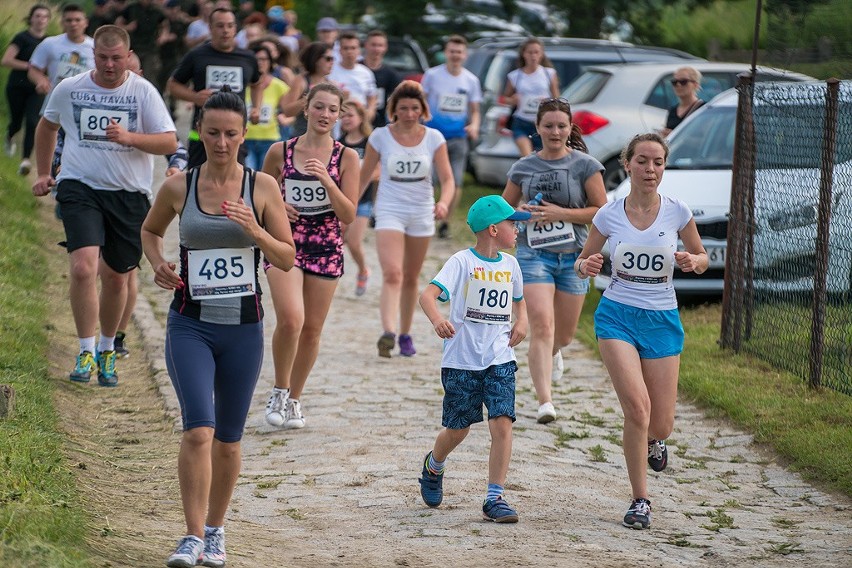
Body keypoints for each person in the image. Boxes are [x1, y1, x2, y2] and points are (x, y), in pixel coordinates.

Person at [141, 86, 295, 567]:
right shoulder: (179, 186)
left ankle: (215, 531)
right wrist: (158, 263)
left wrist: (255, 230)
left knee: (229, 439)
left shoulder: (262, 188)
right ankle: (189, 536)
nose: (222, 142)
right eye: (212, 133)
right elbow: (149, 230)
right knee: (198, 432)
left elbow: (286, 259)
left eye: (231, 134)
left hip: (243, 329)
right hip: (191, 325)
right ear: (200, 132)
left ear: (244, 134)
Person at [574, 132, 708, 529]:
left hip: (662, 319)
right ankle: (640, 499)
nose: (651, 169)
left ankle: (657, 439)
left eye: (658, 162)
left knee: (660, 422)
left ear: (664, 167)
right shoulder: (609, 214)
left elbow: (701, 256)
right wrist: (589, 266)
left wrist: (692, 261)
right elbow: (582, 262)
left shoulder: (677, 211)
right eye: (643, 161)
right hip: (617, 316)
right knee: (637, 408)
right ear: (627, 164)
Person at [31, 25, 177, 386]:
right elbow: (47, 126)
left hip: (128, 195)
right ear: (92, 55)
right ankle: (84, 348)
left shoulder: (142, 92)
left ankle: (107, 349)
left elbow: (169, 141)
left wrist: (130, 137)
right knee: (82, 267)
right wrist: (43, 171)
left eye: (117, 58)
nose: (110, 65)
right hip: (80, 186)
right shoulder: (71, 88)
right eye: (102, 57)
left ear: (128, 57)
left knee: (116, 278)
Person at [417, 194, 529, 523]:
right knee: (458, 429)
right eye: (513, 224)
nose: (517, 229)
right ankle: (433, 465)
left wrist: (521, 321)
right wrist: (439, 320)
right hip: (462, 360)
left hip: (499, 358)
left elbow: (519, 300)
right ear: (494, 229)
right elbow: (427, 296)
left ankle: (495, 497)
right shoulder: (462, 262)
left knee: (502, 423)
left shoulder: (511, 265)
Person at [501, 98, 607, 424]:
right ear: (537, 128)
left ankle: (555, 352)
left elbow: (602, 211)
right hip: (534, 255)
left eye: (561, 125)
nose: (555, 132)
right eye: (548, 126)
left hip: (576, 256)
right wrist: (516, 222)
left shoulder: (585, 165)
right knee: (542, 326)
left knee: (562, 335)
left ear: (570, 127)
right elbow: (504, 209)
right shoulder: (523, 168)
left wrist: (561, 214)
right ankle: (544, 401)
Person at [261, 83, 358, 429]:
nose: (325, 115)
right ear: (306, 109)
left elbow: (348, 214)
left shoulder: (346, 157)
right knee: (291, 319)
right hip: (285, 242)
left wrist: (328, 182)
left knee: (312, 329)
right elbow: (261, 194)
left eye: (333, 109)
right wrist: (277, 207)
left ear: (340, 115)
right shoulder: (280, 151)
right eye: (319, 107)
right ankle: (278, 390)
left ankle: (295, 400)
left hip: (326, 245)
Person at [358, 80, 454, 358]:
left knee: (411, 277)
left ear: (423, 109)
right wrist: (348, 210)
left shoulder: (434, 138)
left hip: (422, 211)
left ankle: (406, 333)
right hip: (389, 209)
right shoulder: (380, 136)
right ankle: (388, 331)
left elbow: (448, 179)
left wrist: (445, 202)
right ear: (394, 110)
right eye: (404, 108)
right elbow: (364, 177)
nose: (410, 114)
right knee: (392, 273)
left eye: (415, 108)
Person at [167, 7, 262, 168]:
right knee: (198, 183)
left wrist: (256, 108)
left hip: (234, 133)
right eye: (220, 26)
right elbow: (173, 85)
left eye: (230, 26)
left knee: (237, 183)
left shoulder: (247, 57)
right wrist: (194, 97)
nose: (225, 30)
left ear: (235, 28)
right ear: (210, 28)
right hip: (202, 134)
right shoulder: (197, 55)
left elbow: (257, 84)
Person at [421, 35, 482, 239]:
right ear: (446, 53)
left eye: (459, 52)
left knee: (455, 182)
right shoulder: (432, 75)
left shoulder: (471, 80)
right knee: (428, 179)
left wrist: (474, 125)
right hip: (432, 136)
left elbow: (475, 110)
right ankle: (426, 216)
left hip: (457, 137)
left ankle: (445, 221)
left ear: (465, 55)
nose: (455, 55)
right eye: (452, 51)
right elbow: (422, 101)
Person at [2, 4, 50, 176]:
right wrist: (30, 65)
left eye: (44, 17)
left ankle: (25, 160)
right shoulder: (22, 38)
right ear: (31, 18)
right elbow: (6, 60)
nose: (41, 20)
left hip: (37, 88)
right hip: (17, 86)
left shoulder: (49, 42)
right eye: (37, 16)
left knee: (32, 121)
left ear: (48, 20)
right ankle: (10, 135)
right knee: (16, 121)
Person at [338, 100, 376, 296]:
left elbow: (377, 172)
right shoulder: (339, 144)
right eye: (343, 115)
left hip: (363, 201)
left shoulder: (370, 143)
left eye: (350, 115)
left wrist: (361, 177)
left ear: (361, 118)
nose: (346, 119)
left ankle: (363, 270)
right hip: (341, 201)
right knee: (338, 241)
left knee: (353, 241)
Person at [502, 37, 560, 157]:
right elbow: (504, 99)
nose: (533, 56)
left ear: (541, 54)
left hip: (543, 123)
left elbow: (557, 100)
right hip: (521, 122)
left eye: (536, 52)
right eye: (530, 52)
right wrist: (513, 100)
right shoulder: (515, 76)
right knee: (527, 158)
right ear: (523, 54)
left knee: (542, 159)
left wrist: (548, 102)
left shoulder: (549, 73)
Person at [243, 45, 289, 170]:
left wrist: (285, 119)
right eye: (256, 59)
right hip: (245, 139)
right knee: (248, 175)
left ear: (270, 62)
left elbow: (290, 112)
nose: (260, 63)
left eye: (264, 59)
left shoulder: (279, 86)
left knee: (265, 178)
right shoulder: (243, 83)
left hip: (270, 139)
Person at [281, 41, 335, 138]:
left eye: (333, 59)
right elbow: (287, 111)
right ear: (316, 59)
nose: (332, 62)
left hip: (325, 139)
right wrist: (308, 98)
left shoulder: (331, 84)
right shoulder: (301, 81)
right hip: (302, 138)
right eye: (328, 59)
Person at [113, 0, 167, 84]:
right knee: (131, 74)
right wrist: (128, 27)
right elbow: (117, 24)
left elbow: (164, 24)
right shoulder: (131, 8)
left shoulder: (156, 10)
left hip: (150, 48)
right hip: (134, 47)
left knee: (150, 75)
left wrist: (163, 35)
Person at [329, 31, 377, 123]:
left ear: (359, 50)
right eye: (345, 48)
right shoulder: (330, 71)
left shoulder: (366, 73)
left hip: (359, 123)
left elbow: (372, 97)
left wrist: (369, 114)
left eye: (353, 48)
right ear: (339, 50)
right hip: (336, 122)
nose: (349, 51)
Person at [362, 29, 401, 129]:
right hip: (353, 124)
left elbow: (397, 101)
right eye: (373, 45)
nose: (376, 49)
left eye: (380, 45)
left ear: (385, 48)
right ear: (366, 45)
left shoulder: (391, 74)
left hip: (379, 125)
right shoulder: (356, 69)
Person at [661, 66, 704, 136]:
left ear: (695, 84)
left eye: (683, 82)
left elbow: (704, 139)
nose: (678, 85)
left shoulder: (703, 108)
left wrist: (675, 135)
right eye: (674, 82)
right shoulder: (673, 110)